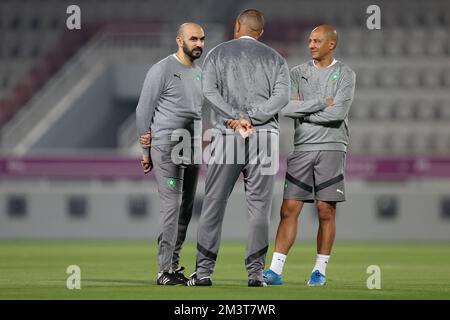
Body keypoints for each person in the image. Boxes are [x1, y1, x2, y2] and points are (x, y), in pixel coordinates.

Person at [186, 9, 290, 287]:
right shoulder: (277, 59)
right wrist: (253, 118)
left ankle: (204, 273)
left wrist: (236, 117)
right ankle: (256, 275)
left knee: (213, 204)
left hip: (226, 135)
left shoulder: (217, 54)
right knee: (259, 208)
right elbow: (282, 97)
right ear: (261, 33)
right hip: (264, 137)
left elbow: (209, 92)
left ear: (237, 26)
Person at [263, 25, 356, 286]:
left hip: (332, 148)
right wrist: (319, 104)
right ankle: (275, 271)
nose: (311, 45)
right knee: (288, 209)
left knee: (325, 210)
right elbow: (286, 107)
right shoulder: (297, 73)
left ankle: (319, 271)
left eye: (317, 41)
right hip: (302, 149)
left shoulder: (345, 74)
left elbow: (337, 114)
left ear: (331, 44)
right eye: (309, 41)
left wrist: (305, 111)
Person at [135, 23, 205, 285]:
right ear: (179, 41)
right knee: (172, 209)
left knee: (185, 211)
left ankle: (173, 266)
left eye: (202, 39)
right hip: (167, 147)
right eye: (193, 39)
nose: (199, 44)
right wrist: (145, 151)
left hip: (192, 148)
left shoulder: (200, 73)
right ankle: (164, 271)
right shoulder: (162, 69)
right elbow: (143, 111)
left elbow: (196, 113)